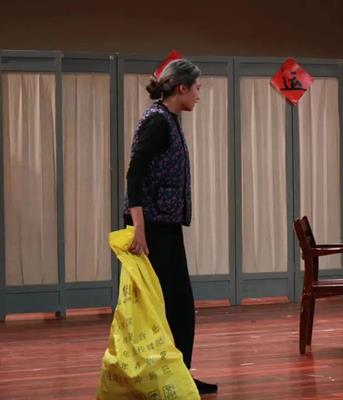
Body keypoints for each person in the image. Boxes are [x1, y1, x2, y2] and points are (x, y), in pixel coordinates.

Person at [123, 56, 217, 394]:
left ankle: (180, 373)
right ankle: (170, 378)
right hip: (153, 227)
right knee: (173, 305)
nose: (199, 95)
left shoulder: (169, 119)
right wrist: (139, 229)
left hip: (166, 223)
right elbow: (134, 174)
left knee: (179, 305)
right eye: (197, 88)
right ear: (181, 87)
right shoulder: (157, 122)